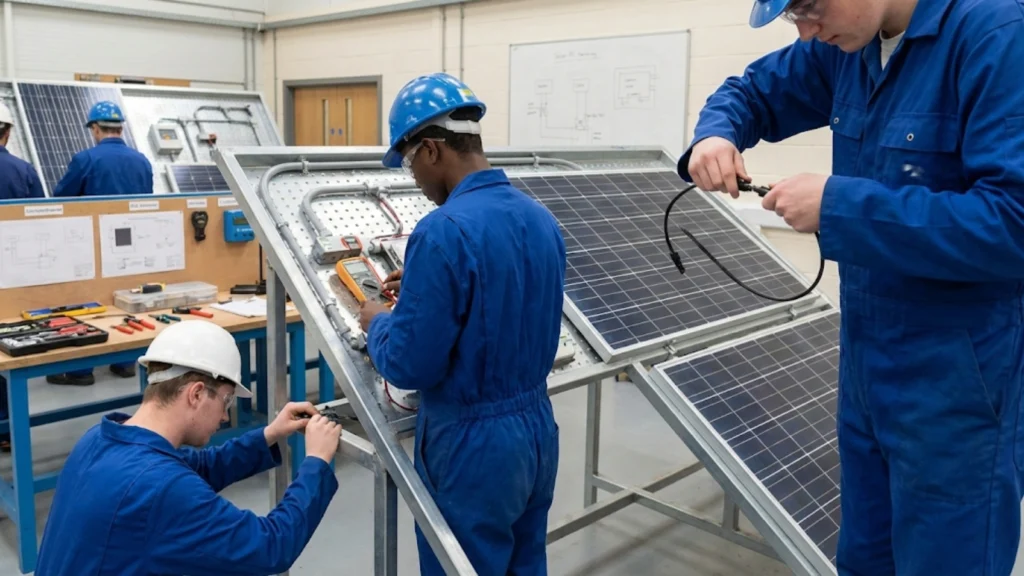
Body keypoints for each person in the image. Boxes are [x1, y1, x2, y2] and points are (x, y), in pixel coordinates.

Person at [682, 0, 1024, 574]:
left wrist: (839, 205)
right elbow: (752, 91)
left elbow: (1012, 222)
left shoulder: (997, 35)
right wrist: (715, 135)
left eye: (810, 7)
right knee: (864, 557)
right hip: (866, 365)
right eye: (791, 16)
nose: (806, 31)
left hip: (960, 383)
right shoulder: (847, 46)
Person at [358, 72, 566, 576]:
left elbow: (410, 364)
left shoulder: (442, 231)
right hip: (537, 432)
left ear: (431, 150)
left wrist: (378, 323)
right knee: (524, 563)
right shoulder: (540, 218)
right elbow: (504, 292)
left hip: (472, 450)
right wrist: (426, 285)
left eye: (409, 163)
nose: (413, 178)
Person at [35, 320, 342, 576]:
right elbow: (271, 546)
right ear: (196, 394)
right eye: (226, 401)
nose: (225, 416)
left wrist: (269, 434)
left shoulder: (99, 439)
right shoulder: (160, 488)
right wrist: (316, 462)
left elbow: (198, 468)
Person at [49, 100, 154, 386]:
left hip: (91, 245)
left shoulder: (85, 159)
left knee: (88, 299)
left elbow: (61, 200)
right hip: (132, 242)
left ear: (95, 128)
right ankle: (124, 362)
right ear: (120, 128)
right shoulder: (142, 161)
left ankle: (81, 370)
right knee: (125, 296)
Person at [0, 100, 44, 451]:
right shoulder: (23, 169)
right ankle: (5, 430)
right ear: (8, 132)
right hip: (13, 274)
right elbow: (41, 215)